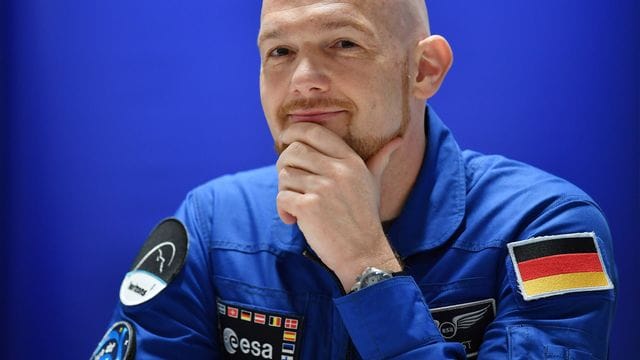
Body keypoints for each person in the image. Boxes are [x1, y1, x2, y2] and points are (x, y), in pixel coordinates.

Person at [92, 1, 618, 359]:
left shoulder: (546, 226)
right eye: (279, 51)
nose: (303, 82)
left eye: (343, 43)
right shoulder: (212, 221)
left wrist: (367, 265)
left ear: (424, 70)